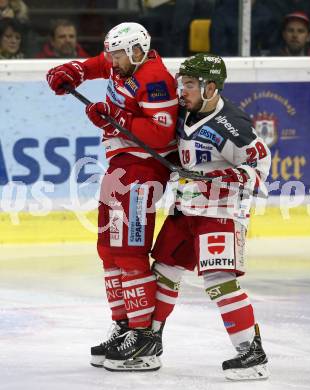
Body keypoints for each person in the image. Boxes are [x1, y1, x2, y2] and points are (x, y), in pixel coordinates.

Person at [46, 22, 178, 371]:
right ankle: (123, 326)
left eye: (119, 54)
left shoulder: (155, 79)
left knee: (129, 251)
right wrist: (73, 71)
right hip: (121, 169)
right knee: (108, 249)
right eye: (114, 53)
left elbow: (161, 135)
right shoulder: (124, 62)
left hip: (144, 171)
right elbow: (98, 64)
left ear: (138, 50)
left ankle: (143, 339)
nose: (113, 60)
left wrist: (114, 118)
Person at [150, 53, 271, 380]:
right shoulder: (182, 113)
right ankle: (150, 340)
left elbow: (259, 167)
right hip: (185, 209)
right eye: (181, 83)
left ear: (211, 87)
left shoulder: (232, 124)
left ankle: (251, 354)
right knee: (163, 271)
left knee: (219, 280)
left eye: (189, 84)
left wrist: (229, 177)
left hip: (220, 213)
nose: (181, 90)